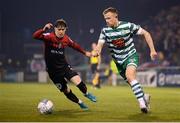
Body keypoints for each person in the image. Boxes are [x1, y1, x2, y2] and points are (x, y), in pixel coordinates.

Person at [93, 7, 157, 113]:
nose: (107, 21)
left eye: (108, 18)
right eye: (105, 19)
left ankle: (142, 104)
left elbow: (146, 33)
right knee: (131, 82)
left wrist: (152, 50)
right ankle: (144, 97)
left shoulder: (128, 26)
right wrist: (97, 51)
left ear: (116, 17)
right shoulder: (105, 30)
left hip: (131, 55)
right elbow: (99, 44)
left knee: (130, 76)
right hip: (119, 62)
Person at [33, 19, 97, 111]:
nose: (61, 31)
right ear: (55, 29)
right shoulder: (49, 37)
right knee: (66, 90)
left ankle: (86, 93)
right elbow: (35, 36)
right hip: (53, 72)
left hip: (64, 67)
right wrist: (43, 29)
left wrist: (85, 53)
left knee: (78, 81)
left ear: (65, 29)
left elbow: (75, 45)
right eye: (59, 29)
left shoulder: (66, 39)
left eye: (63, 29)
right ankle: (80, 103)